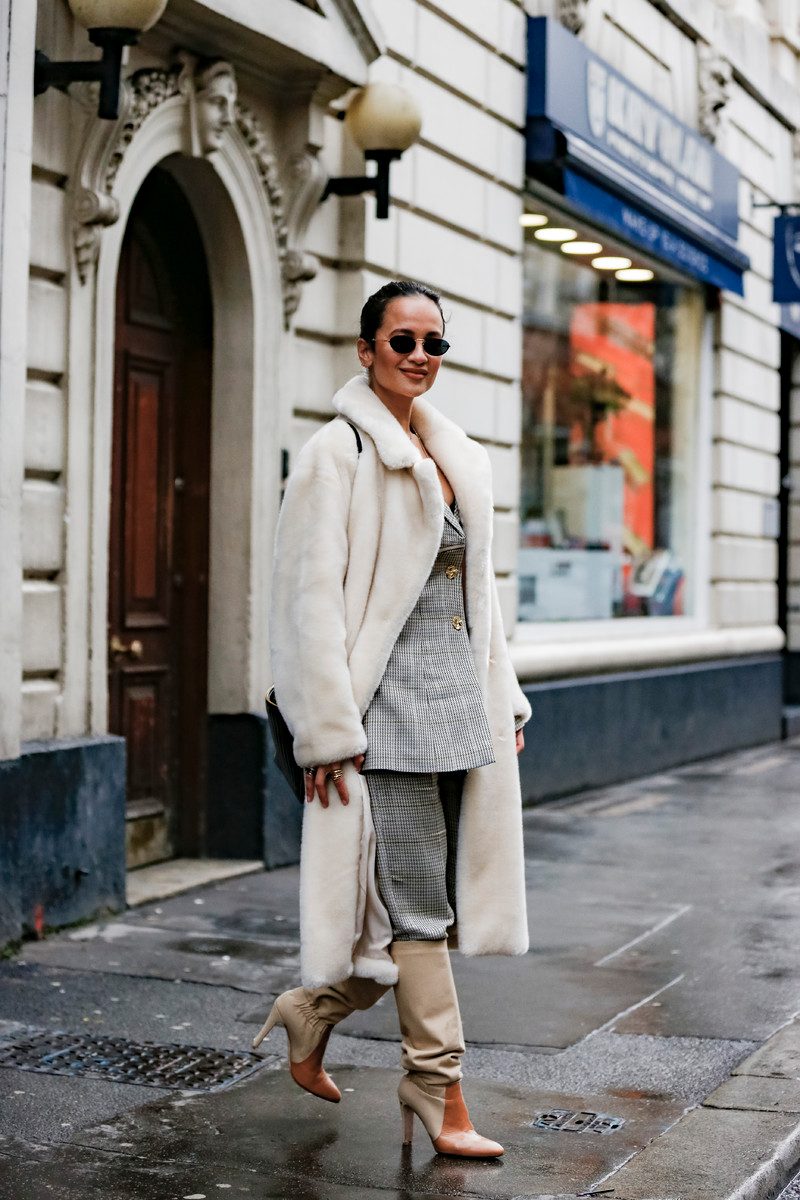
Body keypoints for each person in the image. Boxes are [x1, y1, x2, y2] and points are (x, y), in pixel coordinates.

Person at [256, 280, 531, 1158]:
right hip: (386, 719)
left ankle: (312, 1011)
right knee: (416, 910)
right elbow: (307, 607)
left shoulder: (456, 455)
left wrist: (505, 697)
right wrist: (325, 731)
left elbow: (480, 599)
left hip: (461, 716)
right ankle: (439, 1090)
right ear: (366, 348)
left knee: (428, 913)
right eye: (402, 340)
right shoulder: (334, 455)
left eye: (433, 343)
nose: (419, 356)